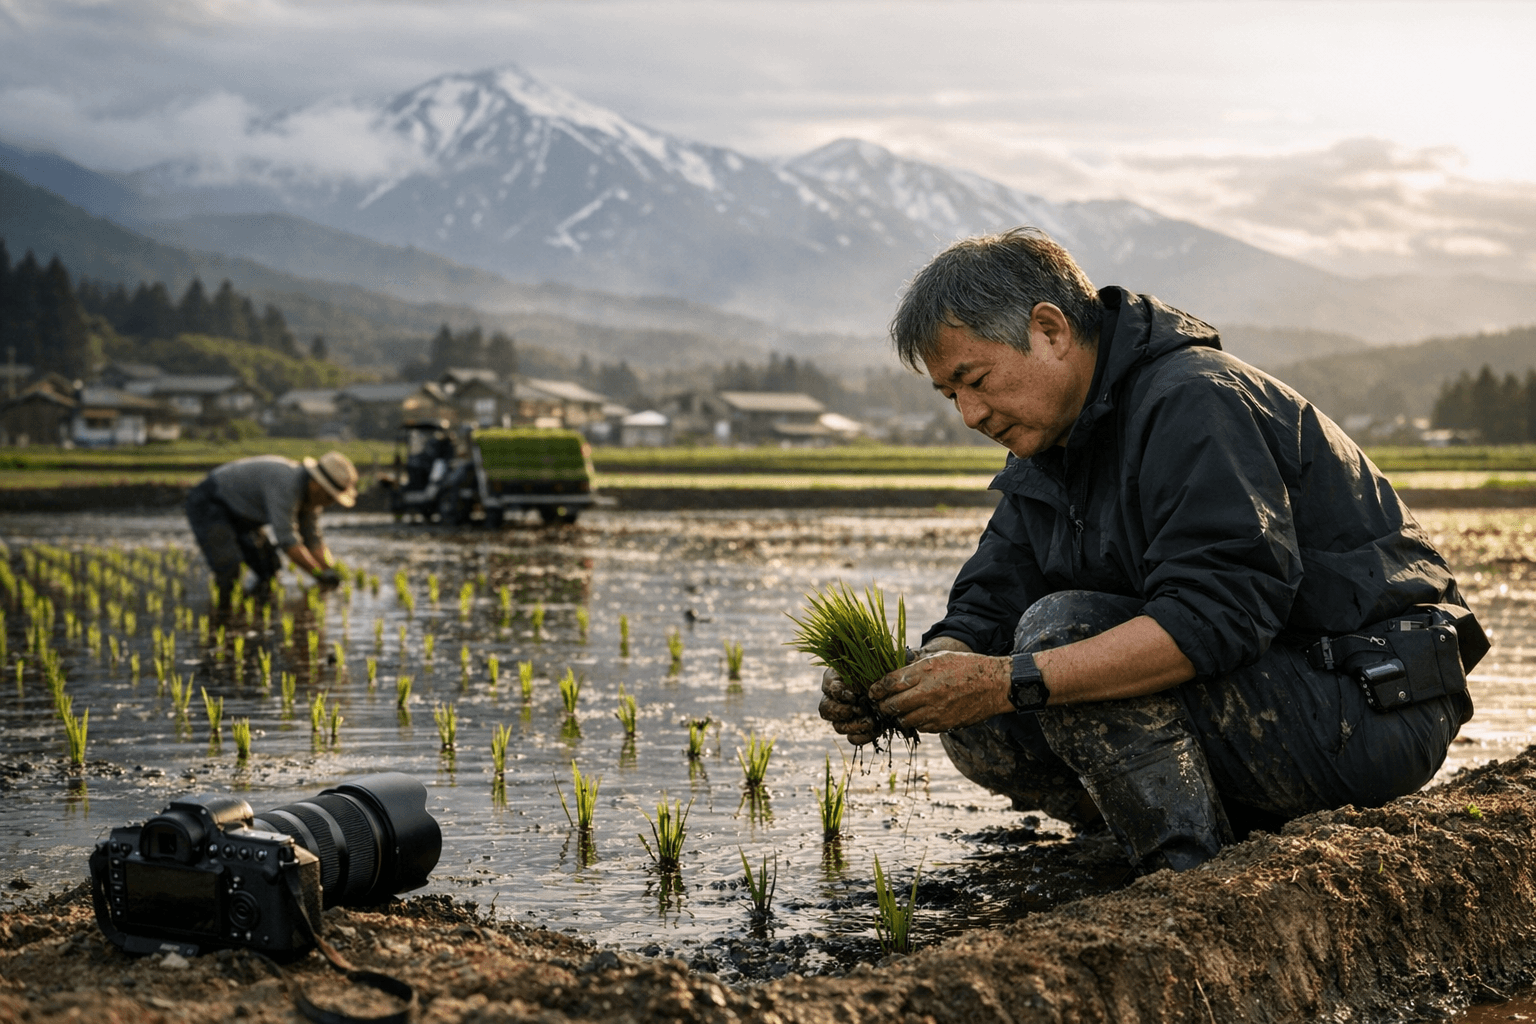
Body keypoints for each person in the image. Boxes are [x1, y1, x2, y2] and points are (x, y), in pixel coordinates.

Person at [819, 228, 1483, 874]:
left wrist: (1006, 680)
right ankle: (1167, 829)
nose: (970, 414)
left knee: (1054, 641)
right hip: (1274, 686)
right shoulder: (1050, 445)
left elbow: (1219, 616)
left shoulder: (1194, 400)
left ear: (1049, 330)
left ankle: (1187, 881)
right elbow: (988, 602)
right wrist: (913, 679)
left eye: (976, 379)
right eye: (950, 395)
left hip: (1369, 700)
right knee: (976, 711)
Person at [186, 451, 358, 609]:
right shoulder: (287, 485)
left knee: (269, 568)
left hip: (245, 518)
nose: (330, 503)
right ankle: (221, 623)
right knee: (230, 569)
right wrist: (318, 574)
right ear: (315, 484)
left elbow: (313, 539)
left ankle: (255, 619)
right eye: (330, 496)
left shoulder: (312, 499)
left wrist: (331, 570)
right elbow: (287, 540)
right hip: (211, 502)